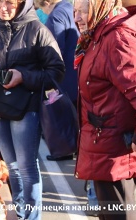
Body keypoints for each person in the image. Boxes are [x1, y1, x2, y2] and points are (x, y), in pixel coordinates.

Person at [0, 0, 65, 218]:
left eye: (10, 3)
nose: (4, 7)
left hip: (26, 109)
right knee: (11, 167)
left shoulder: (37, 29)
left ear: (23, 3)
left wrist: (24, 76)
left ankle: (31, 216)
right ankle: (21, 213)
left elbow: (57, 71)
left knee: (27, 167)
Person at [73, 0, 136, 219]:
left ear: (101, 7)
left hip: (116, 152)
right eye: (75, 11)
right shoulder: (96, 35)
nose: (77, 17)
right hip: (103, 147)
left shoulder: (116, 39)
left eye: (83, 11)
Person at [35, 0, 79, 161]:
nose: (44, 12)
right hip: (77, 70)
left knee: (64, 113)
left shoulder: (55, 16)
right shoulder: (69, 7)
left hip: (65, 75)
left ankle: (65, 148)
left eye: (42, 8)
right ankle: (73, 148)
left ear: (46, 2)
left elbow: (53, 49)